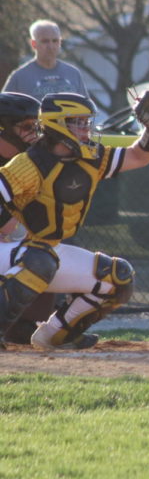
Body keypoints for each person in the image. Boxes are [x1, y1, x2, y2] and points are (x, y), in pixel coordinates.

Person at [0, 91, 149, 349]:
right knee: (40, 258)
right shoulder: (31, 163)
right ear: (57, 124)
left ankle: (54, 336)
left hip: (39, 251)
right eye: (77, 122)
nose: (85, 128)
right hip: (21, 251)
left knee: (118, 277)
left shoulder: (91, 157)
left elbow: (138, 156)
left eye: (86, 121)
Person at [0, 92, 60, 345]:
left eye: (35, 127)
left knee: (45, 253)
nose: (33, 135)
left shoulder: (31, 162)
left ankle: (30, 327)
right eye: (25, 127)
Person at [3, 20, 89, 99]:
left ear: (60, 42)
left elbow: (86, 110)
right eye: (45, 41)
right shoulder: (20, 77)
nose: (50, 46)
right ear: (33, 44)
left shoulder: (73, 74)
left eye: (55, 41)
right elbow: (4, 110)